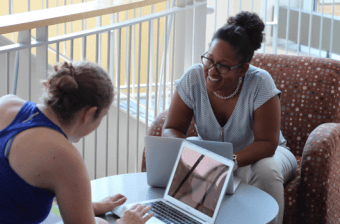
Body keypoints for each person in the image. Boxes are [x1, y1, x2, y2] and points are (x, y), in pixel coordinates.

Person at [162, 11, 297, 224]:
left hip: (265, 155)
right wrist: (188, 156)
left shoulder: (260, 83)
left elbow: (267, 144)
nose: (212, 70)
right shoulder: (194, 77)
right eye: (209, 59)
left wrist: (225, 162)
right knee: (190, 146)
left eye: (223, 66)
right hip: (219, 155)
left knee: (265, 169)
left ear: (242, 69)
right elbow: (172, 128)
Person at [0, 61, 153, 224]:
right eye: (102, 116)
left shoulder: (7, 103)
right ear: (89, 114)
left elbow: (11, 189)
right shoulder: (64, 157)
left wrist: (85, 206)